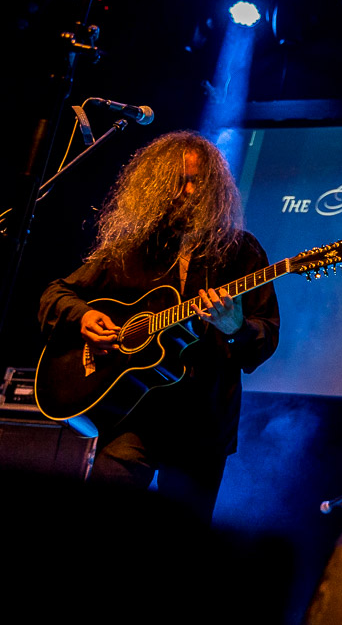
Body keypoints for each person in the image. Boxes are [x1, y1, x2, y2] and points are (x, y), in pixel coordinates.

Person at [37, 130, 280, 524]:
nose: (188, 191)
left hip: (202, 424)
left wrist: (235, 326)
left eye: (197, 181)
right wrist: (84, 317)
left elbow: (266, 337)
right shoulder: (133, 247)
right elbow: (57, 293)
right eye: (178, 182)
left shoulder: (241, 251)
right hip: (133, 419)